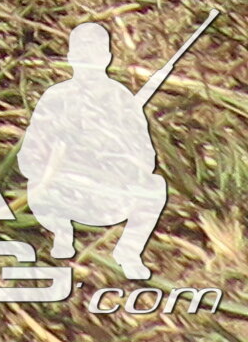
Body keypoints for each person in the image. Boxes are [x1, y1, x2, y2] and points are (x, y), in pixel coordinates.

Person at [17, 23, 170, 280]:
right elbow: (30, 152)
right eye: (81, 55)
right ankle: (62, 234)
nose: (88, 62)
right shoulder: (56, 97)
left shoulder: (121, 99)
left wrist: (118, 150)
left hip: (110, 194)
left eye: (94, 55)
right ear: (70, 57)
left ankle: (129, 251)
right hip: (63, 193)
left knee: (155, 187)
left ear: (107, 57)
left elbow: (146, 157)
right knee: (36, 185)